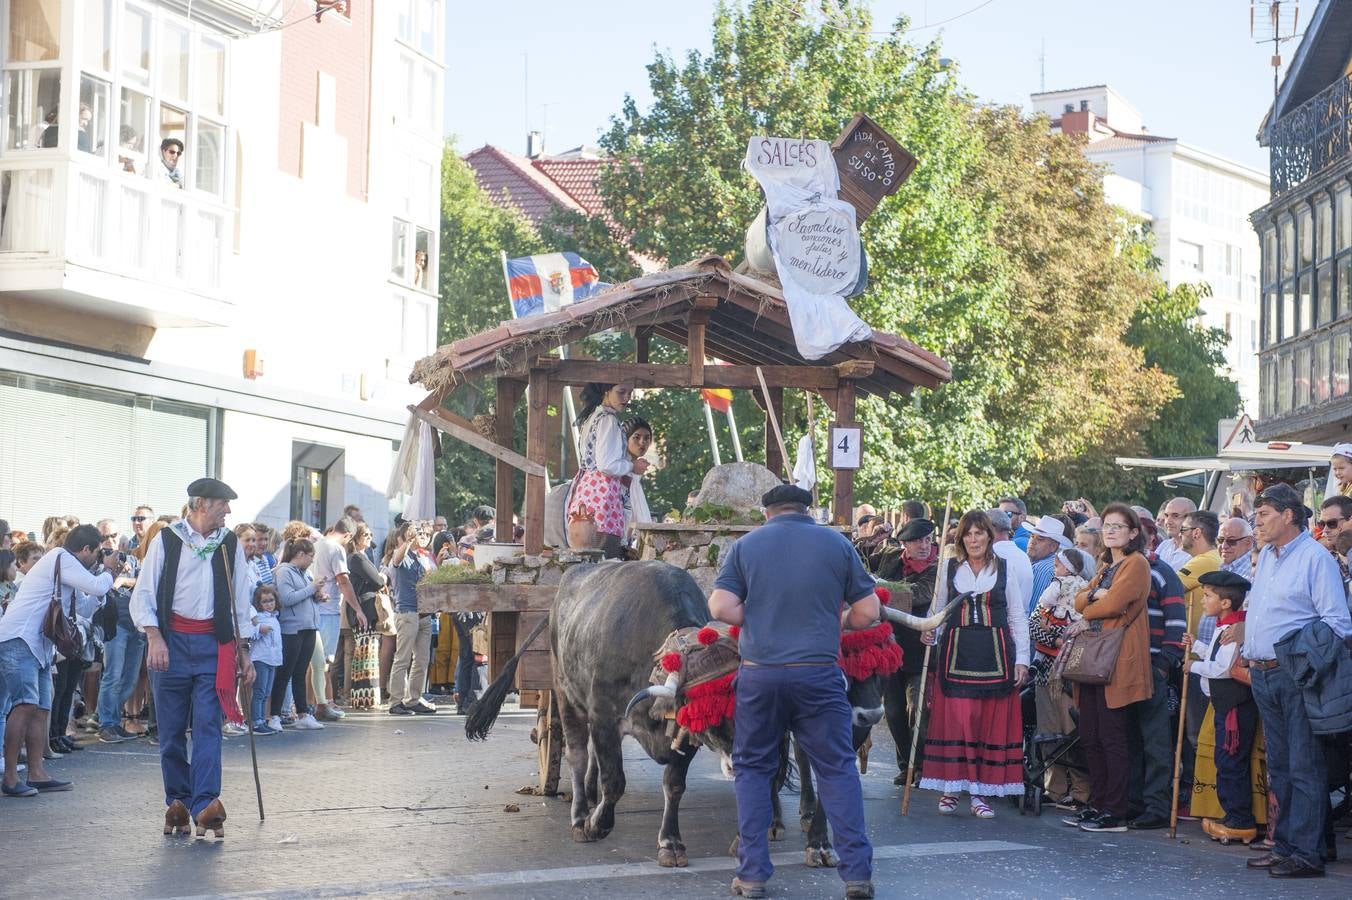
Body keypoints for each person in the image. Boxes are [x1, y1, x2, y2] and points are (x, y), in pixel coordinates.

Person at [710, 484, 879, 900]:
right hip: (818, 675)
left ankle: (751, 877)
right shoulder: (836, 545)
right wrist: (832, 622)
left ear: (767, 512)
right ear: (808, 511)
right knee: (838, 770)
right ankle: (856, 875)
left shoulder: (747, 546)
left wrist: (762, 616)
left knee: (752, 770)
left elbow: (719, 608)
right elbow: (869, 611)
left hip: (761, 676)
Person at [129, 479, 255, 837]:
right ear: (200, 504)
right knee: (169, 731)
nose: (228, 511)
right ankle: (178, 803)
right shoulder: (167, 539)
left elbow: (239, 601)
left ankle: (204, 802)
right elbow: (145, 593)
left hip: (215, 648)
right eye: (222, 504)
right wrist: (154, 637)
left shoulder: (229, 544)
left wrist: (244, 651)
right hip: (170, 645)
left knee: (208, 727)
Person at [1242, 483, 1351, 878]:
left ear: (1289, 515)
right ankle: (1286, 845)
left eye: (1265, 515)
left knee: (1304, 766)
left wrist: (1300, 658)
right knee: (1283, 767)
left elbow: (1337, 621)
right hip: (1264, 673)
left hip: (1295, 674)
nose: (1258, 523)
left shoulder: (1313, 558)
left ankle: (1306, 852)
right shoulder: (1269, 557)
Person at [919, 510, 1029, 819]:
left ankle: (980, 792)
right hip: (956, 655)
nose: (973, 539)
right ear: (961, 538)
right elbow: (937, 611)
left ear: (989, 537)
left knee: (984, 724)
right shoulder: (948, 568)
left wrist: (1022, 660)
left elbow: (1017, 617)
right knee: (961, 721)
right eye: (968, 534)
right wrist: (930, 632)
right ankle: (952, 787)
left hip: (996, 657)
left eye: (979, 533)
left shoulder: (1004, 569)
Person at [0, 525, 111, 797]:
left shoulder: (65, 566)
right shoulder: (61, 557)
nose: (98, 559)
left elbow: (85, 605)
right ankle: (11, 778)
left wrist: (103, 580)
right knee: (24, 705)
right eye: (97, 554)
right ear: (85, 549)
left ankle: (37, 773)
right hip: (20, 639)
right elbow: (97, 586)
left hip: (37, 645)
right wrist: (109, 571)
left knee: (40, 708)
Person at [1065, 503, 1153, 834]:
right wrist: (1097, 595)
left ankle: (1115, 810)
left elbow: (1115, 604)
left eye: (1119, 526)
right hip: (1093, 658)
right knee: (1091, 735)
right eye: (1107, 525)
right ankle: (1098, 803)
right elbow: (1077, 599)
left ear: (1133, 533)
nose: (1111, 530)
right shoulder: (1105, 567)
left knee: (1112, 736)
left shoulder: (1136, 564)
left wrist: (1094, 600)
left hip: (1116, 660)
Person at [1183, 570, 1259, 845]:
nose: (1202, 601)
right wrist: (1199, 647)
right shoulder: (1223, 626)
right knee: (1226, 760)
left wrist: (1193, 666)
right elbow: (1215, 654)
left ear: (1226, 602)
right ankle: (1233, 815)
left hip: (1234, 706)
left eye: (1207, 596)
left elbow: (1223, 669)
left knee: (1231, 761)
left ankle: (1240, 819)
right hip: (1226, 705)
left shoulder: (1232, 629)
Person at [1123, 506, 1186, 830]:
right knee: (1129, 739)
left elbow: (1176, 622)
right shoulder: (1120, 570)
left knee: (1155, 741)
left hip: (1151, 666)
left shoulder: (1161, 572)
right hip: (1122, 668)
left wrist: (1163, 665)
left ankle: (1157, 806)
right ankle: (1134, 802)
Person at [1028, 546, 1093, 809]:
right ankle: (1053, 789)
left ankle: (1081, 792)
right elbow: (1034, 625)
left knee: (1072, 732)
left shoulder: (1087, 594)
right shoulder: (1052, 594)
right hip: (1045, 670)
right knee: (1048, 731)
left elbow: (1085, 633)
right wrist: (1056, 639)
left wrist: (1061, 641)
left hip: (1072, 672)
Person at [878, 517, 938, 785]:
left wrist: (878, 587)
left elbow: (920, 595)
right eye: (917, 541)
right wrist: (869, 539)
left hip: (919, 651)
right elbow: (857, 558)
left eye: (927, 539)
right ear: (904, 543)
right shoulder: (889, 559)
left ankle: (922, 766)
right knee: (892, 711)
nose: (924, 545)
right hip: (888, 649)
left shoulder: (938, 569)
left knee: (918, 711)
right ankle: (906, 765)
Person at [565, 382, 648, 558]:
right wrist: (633, 466)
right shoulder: (608, 420)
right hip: (602, 499)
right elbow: (607, 465)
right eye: (621, 392)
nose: (627, 398)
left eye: (630, 393)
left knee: (586, 560)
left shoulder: (593, 417)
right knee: (606, 563)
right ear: (606, 391)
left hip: (585, 493)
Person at [1176, 510, 1222, 797]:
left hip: (1198, 656)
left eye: (1183, 528)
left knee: (1196, 733)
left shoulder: (1206, 560)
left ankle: (1201, 793)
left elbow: (1167, 584)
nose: (1178, 533)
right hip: (1194, 654)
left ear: (1196, 532)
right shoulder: (1199, 560)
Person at [311, 517, 366, 718]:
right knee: (324, 661)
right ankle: (321, 704)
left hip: (315, 607)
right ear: (348, 535)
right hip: (328, 608)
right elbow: (343, 580)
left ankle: (320, 702)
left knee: (315, 661)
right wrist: (358, 609)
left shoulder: (317, 545)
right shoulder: (335, 549)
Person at [95, 542, 144, 744]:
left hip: (138, 625)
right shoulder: (101, 565)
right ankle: (106, 724)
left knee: (130, 679)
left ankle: (113, 721)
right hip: (117, 624)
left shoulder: (137, 560)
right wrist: (116, 575)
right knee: (113, 675)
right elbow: (103, 586)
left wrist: (128, 579)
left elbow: (147, 583)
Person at [388, 522, 436, 716]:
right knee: (403, 658)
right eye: (421, 534)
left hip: (423, 614)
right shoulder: (403, 554)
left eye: (427, 534)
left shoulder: (423, 557)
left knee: (422, 659)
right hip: (407, 612)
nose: (424, 537)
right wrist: (407, 541)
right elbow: (396, 560)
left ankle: (413, 699)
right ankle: (395, 701)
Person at [986, 509, 1033, 620]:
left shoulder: (992, 555)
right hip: (1018, 623)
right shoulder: (1023, 556)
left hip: (1000, 627)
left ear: (989, 529)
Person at [248, 585, 283, 735]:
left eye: (271, 600)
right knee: (259, 691)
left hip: (273, 659)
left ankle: (262, 719)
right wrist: (259, 629)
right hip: (261, 658)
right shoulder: (258, 618)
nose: (269, 604)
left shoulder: (274, 617)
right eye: (265, 602)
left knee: (266, 692)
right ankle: (256, 721)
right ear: (259, 603)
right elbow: (251, 632)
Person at [1027, 515, 1075, 618]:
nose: (1033, 541)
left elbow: (1033, 611)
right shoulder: (1056, 565)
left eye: (1040, 539)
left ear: (1053, 547)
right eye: (1032, 536)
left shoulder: (1041, 569)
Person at [1154, 497, 1196, 571]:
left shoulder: (1196, 551)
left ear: (1191, 518)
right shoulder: (1164, 545)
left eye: (1175, 516)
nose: (1168, 522)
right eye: (1166, 516)